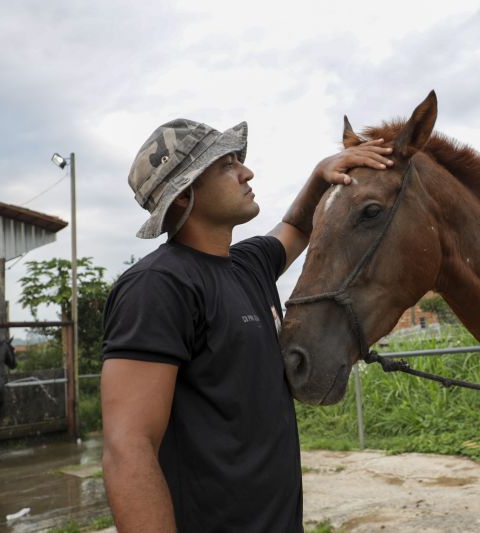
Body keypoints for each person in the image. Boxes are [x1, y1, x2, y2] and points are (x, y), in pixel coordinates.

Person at [100, 118, 392, 532]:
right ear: (183, 195)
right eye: (226, 165)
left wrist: (321, 173)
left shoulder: (248, 266)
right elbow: (128, 447)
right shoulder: (158, 286)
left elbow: (296, 226)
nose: (246, 171)